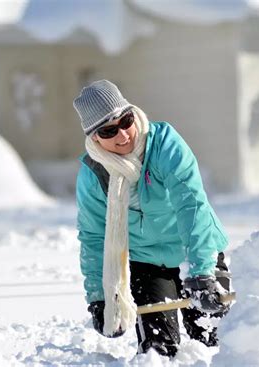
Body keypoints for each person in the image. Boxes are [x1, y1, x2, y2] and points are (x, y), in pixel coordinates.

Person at [73, 80, 232, 357]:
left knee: (213, 342)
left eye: (125, 120)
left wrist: (202, 271)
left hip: (196, 249)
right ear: (94, 137)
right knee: (157, 351)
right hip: (147, 261)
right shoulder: (93, 173)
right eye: (109, 130)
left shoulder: (164, 144)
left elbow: (191, 205)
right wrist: (100, 297)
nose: (123, 134)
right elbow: (94, 236)